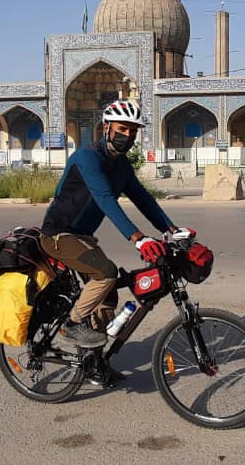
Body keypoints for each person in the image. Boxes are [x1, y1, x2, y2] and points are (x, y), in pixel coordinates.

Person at [39, 99, 191, 354]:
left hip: (83, 238)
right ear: (107, 127)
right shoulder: (88, 157)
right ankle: (71, 323)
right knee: (107, 273)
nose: (128, 135)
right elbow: (104, 198)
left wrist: (171, 229)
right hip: (59, 235)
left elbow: (143, 200)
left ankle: (94, 363)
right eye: (122, 129)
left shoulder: (121, 166)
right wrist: (138, 238)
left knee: (107, 299)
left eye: (132, 131)